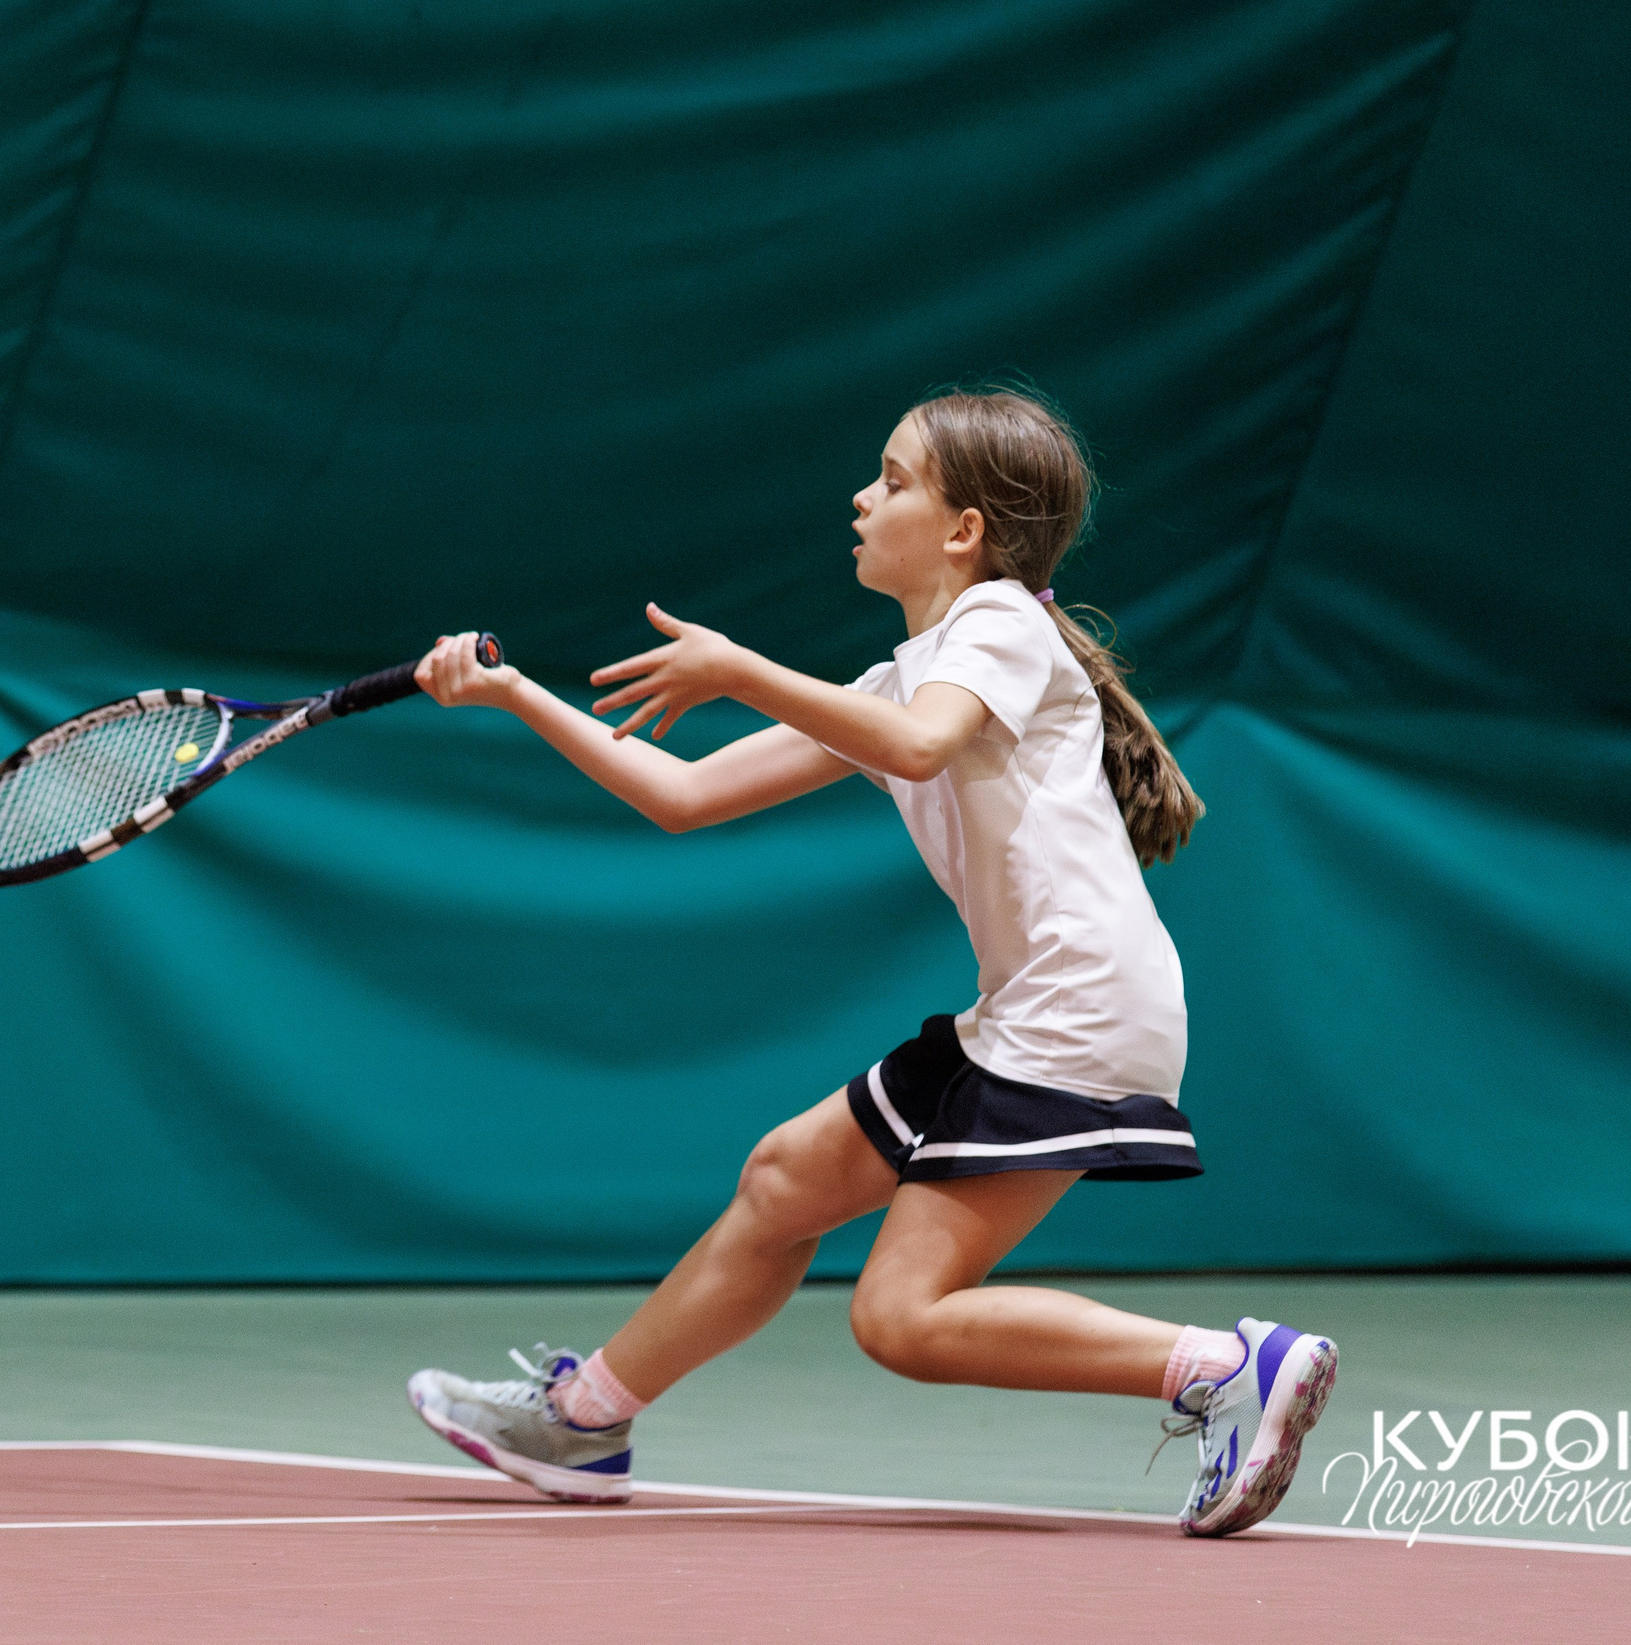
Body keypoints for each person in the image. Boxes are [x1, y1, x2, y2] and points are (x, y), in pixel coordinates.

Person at [406, 388, 1336, 1538]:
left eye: (892, 479)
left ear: (964, 530)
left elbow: (916, 745)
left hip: (1076, 1010)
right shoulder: (909, 672)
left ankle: (1221, 1367)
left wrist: (741, 668)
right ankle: (585, 1420)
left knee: (899, 1317)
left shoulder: (997, 621)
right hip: (1032, 1007)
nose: (861, 496)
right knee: (786, 1178)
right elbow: (684, 795)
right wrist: (510, 694)